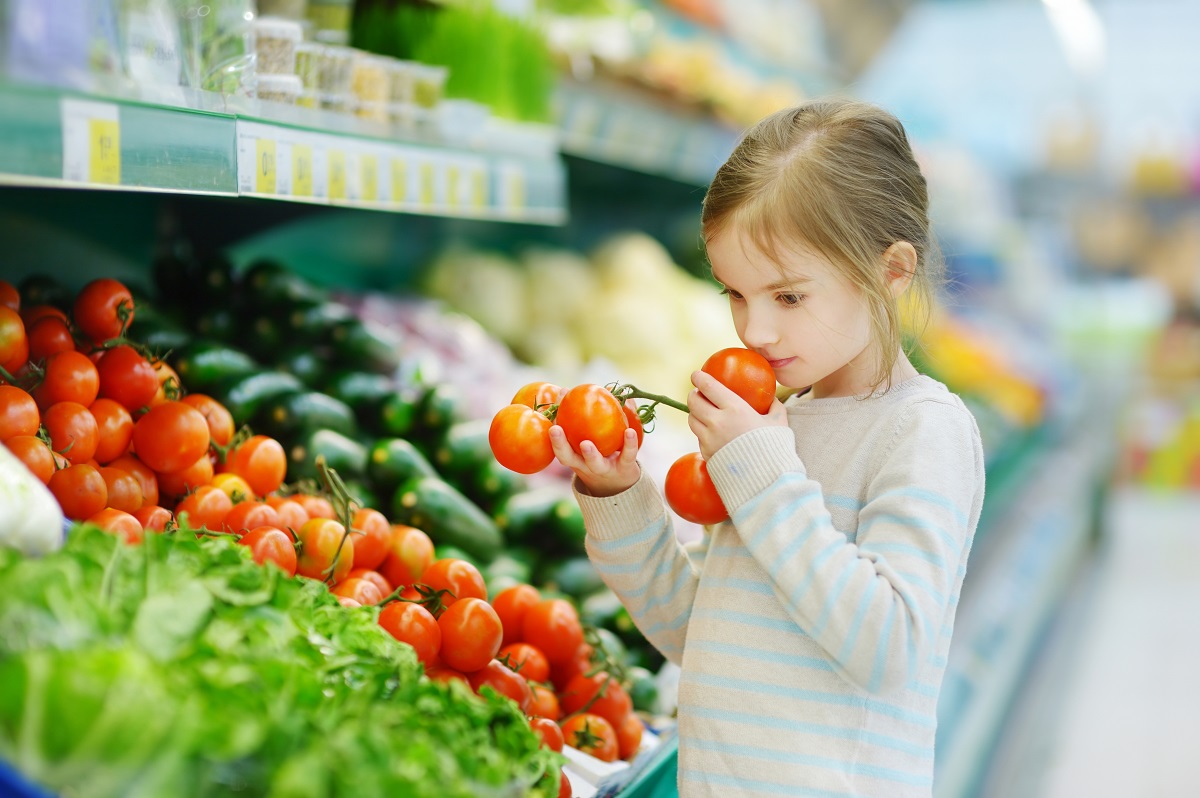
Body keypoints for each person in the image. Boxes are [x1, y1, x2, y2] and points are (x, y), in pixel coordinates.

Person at [548, 98, 986, 797]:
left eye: (787, 297)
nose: (755, 331)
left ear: (891, 272)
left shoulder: (923, 430)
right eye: (735, 294)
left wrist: (765, 473)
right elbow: (708, 635)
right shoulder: (778, 424)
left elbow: (890, 646)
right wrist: (620, 497)